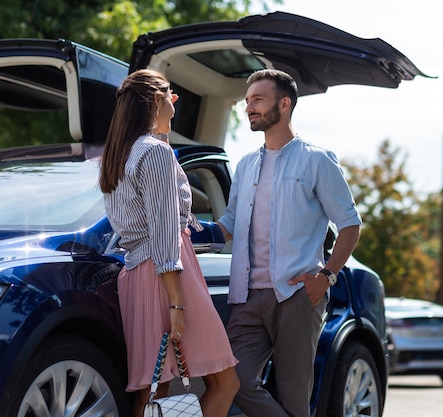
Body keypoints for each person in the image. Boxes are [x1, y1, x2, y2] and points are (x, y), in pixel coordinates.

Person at [217, 69, 361, 417]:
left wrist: (325, 276)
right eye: (248, 100)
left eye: (258, 100)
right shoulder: (247, 164)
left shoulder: (316, 159)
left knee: (294, 396)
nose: (249, 107)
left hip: (297, 295)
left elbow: (350, 225)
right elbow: (229, 225)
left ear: (284, 104)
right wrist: (187, 231)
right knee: (232, 381)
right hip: (248, 296)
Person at [99, 69, 239, 417]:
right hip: (168, 277)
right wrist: (176, 304)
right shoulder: (156, 153)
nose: (175, 103)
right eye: (170, 95)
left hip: (137, 273)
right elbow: (164, 231)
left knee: (154, 389)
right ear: (154, 100)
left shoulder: (118, 154)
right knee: (226, 383)